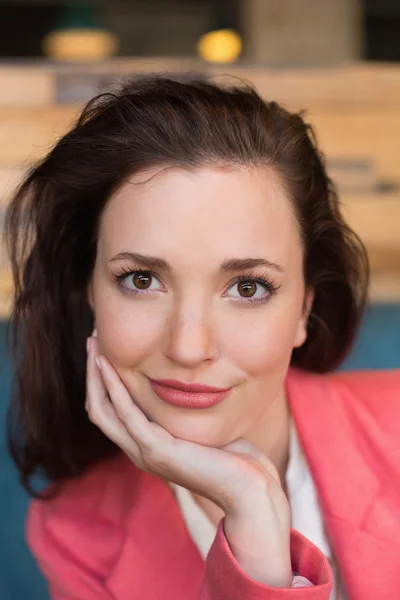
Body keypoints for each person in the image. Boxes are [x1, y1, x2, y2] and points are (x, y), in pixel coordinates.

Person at [4, 74, 399, 600]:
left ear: (306, 306)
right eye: (141, 280)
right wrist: (252, 528)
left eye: (248, 286)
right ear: (90, 291)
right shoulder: (76, 535)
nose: (189, 348)